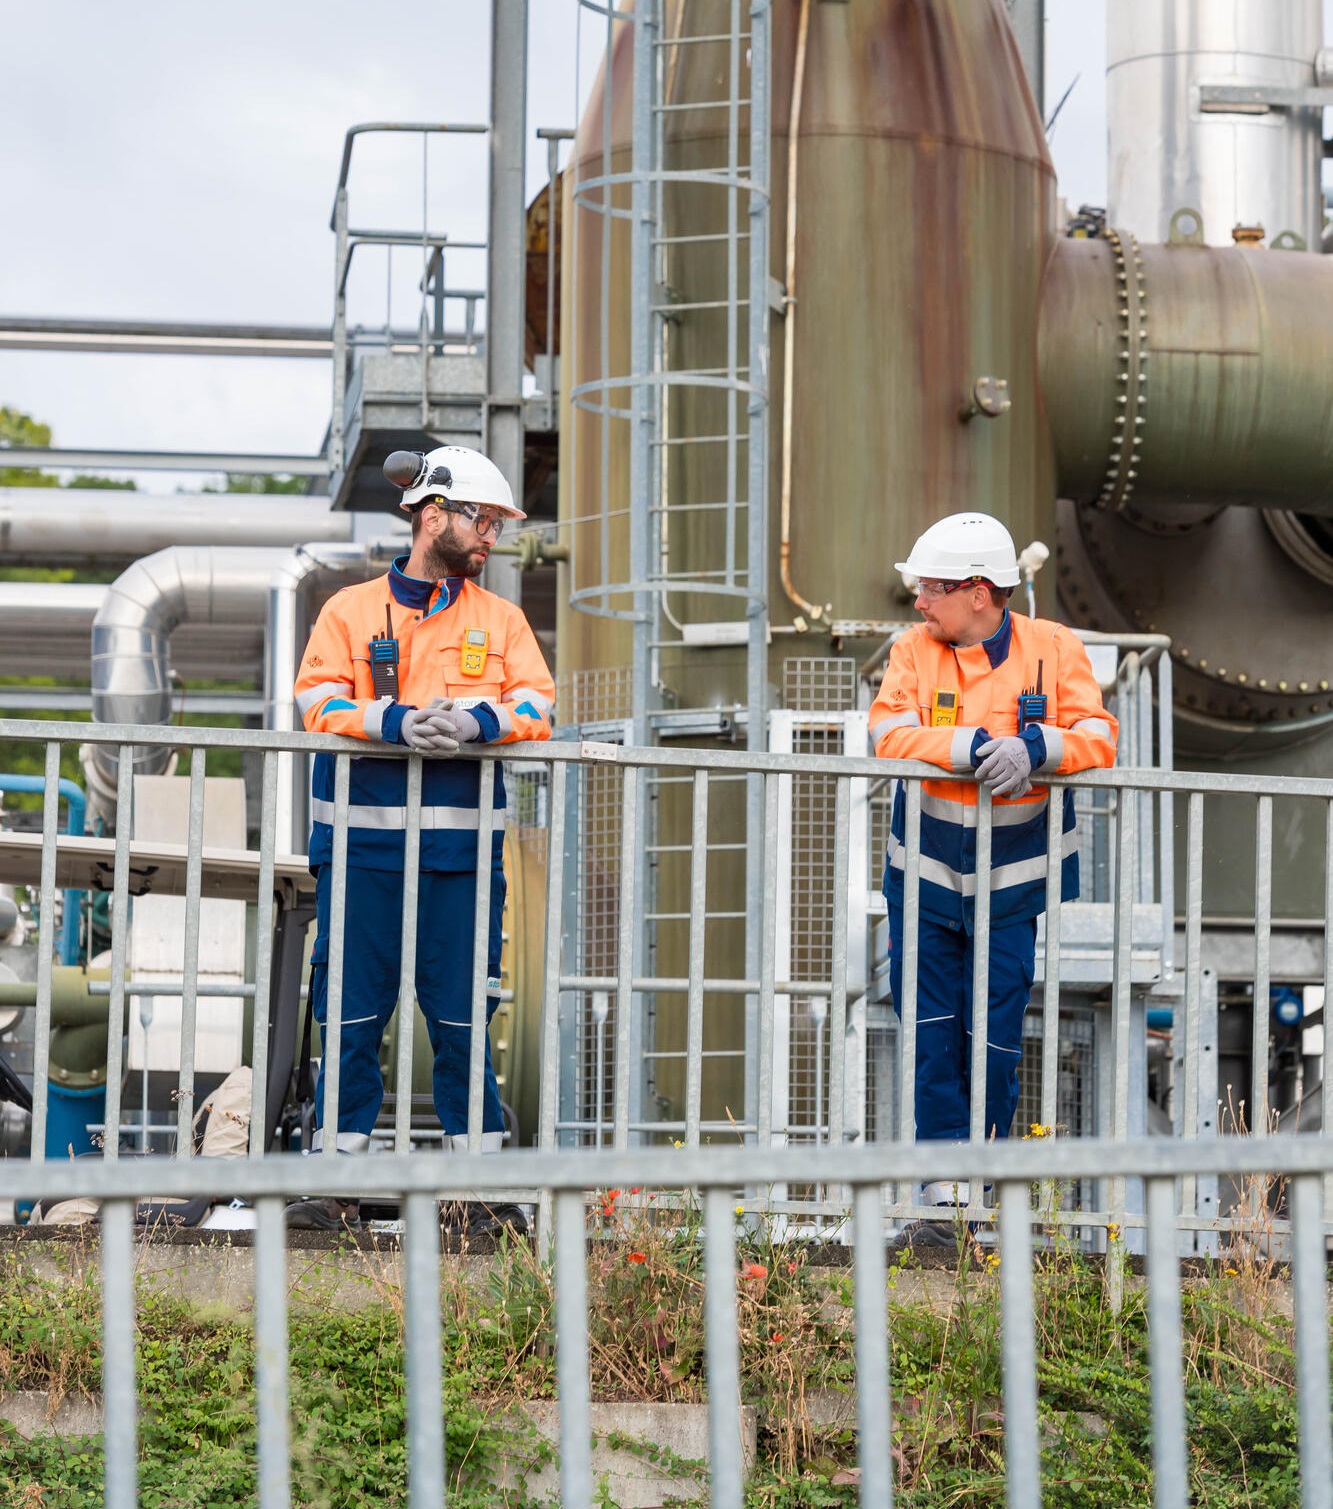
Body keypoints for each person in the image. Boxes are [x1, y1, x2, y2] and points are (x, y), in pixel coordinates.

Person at [285, 445, 554, 1235]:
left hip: (458, 859)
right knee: (350, 1014)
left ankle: (477, 1194)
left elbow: (539, 703)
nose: (493, 540)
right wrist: (394, 722)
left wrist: (480, 722)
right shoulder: (350, 610)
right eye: (485, 521)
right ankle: (334, 1185)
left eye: (500, 526)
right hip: (363, 854)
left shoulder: (499, 620)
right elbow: (316, 700)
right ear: (433, 515)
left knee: (465, 1015)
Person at [868, 512, 1117, 1250]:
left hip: (1013, 885)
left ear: (978, 592)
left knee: (997, 1038)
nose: (917, 601)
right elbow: (886, 732)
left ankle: (977, 1195)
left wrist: (1036, 746)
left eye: (930, 589)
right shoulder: (912, 649)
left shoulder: (1053, 647)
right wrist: (971, 745)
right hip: (925, 877)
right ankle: (938, 1204)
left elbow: (1098, 734)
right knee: (933, 1032)